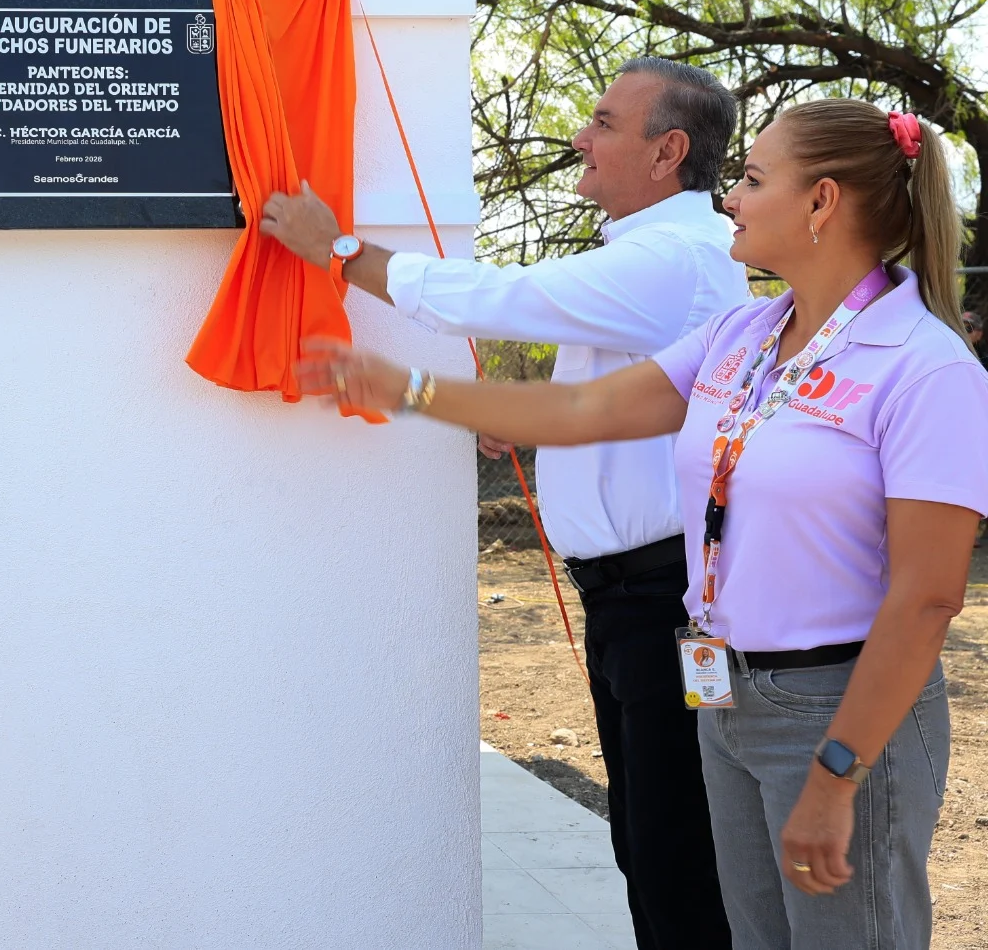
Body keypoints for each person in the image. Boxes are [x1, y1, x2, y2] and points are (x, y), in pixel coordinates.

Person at [304, 99, 985, 948]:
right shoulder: (744, 334)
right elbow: (585, 407)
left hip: (836, 705)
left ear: (821, 204)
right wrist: (409, 392)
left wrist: (838, 770)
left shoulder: (927, 370)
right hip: (725, 691)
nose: (730, 198)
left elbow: (926, 597)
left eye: (751, 179)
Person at [262, 57, 746, 948]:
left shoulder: (674, 256)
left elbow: (512, 297)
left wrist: (340, 254)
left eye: (604, 121)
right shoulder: (651, 258)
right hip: (631, 601)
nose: (580, 138)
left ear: (668, 151)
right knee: (655, 850)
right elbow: (603, 405)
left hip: (662, 602)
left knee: (679, 861)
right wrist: (514, 421)